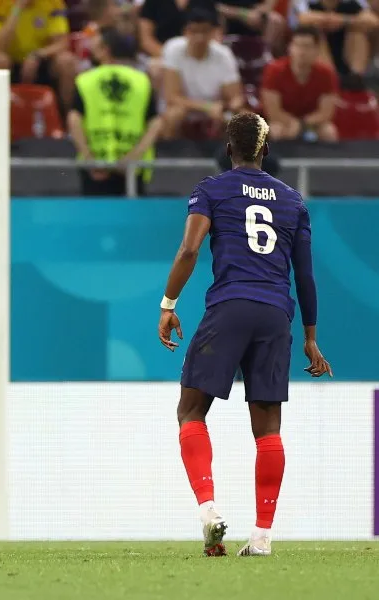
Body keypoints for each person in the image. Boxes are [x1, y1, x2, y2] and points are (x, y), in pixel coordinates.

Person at [157, 112, 332, 557]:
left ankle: (210, 512)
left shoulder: (211, 190)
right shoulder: (293, 201)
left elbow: (190, 248)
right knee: (268, 427)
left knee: (191, 410)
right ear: (267, 151)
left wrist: (169, 304)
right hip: (277, 314)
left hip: (230, 307)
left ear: (228, 148)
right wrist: (310, 336)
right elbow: (306, 275)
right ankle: (262, 537)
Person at [68, 27, 161, 195]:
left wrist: (89, 158)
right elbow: (155, 123)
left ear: (106, 50)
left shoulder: (85, 80)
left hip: (96, 168)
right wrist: (133, 157)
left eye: (96, 44)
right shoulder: (142, 80)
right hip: (132, 168)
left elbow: (74, 120)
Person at [161, 8, 247, 139]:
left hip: (216, 109)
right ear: (185, 32)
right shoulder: (173, 49)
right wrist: (206, 107)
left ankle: (231, 157)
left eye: (204, 31)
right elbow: (172, 96)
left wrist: (231, 105)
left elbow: (235, 96)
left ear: (213, 32)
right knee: (173, 115)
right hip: (186, 109)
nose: (199, 37)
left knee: (245, 121)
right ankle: (170, 156)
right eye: (194, 31)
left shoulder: (224, 55)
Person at [0, 0, 76, 112]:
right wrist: (17, 10)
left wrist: (37, 55)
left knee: (66, 61)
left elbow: (62, 43)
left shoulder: (53, 3)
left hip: (41, 59)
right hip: (11, 60)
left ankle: (68, 117)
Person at [261, 25, 339, 141]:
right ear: (290, 47)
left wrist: (302, 124)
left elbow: (326, 112)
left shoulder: (326, 73)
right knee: (277, 130)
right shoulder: (274, 70)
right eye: (297, 45)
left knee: (329, 131)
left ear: (317, 49)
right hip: (283, 121)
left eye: (307, 47)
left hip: (312, 122)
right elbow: (273, 111)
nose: (301, 51)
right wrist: (291, 122)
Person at [294, 0, 379, 77]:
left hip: (347, 46)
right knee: (314, 32)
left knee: (358, 31)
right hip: (320, 48)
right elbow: (303, 18)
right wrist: (328, 20)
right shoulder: (305, 2)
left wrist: (343, 20)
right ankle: (330, 79)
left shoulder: (355, 2)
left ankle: (355, 80)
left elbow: (372, 21)